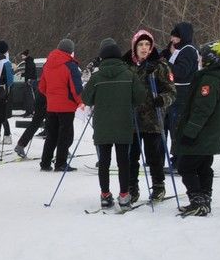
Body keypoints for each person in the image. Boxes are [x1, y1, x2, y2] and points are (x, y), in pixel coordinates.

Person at [83, 38, 147, 210]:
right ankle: (124, 195)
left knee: (103, 161)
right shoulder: (129, 75)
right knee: (123, 161)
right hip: (123, 123)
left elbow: (86, 98)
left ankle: (105, 195)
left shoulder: (96, 77)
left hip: (102, 125)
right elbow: (141, 97)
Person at [172, 40, 220, 217]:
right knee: (204, 167)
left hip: (202, 135)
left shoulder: (210, 80)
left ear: (210, 59)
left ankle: (198, 199)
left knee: (185, 166)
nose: (199, 60)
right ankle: (204, 199)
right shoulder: (216, 77)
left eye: (202, 57)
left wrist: (189, 133)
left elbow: (202, 110)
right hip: (210, 135)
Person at [125, 29, 174, 202]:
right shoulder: (127, 66)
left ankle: (158, 187)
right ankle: (132, 188)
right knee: (131, 157)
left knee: (154, 156)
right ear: (135, 46)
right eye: (141, 44)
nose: (144, 48)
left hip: (153, 120)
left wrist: (162, 99)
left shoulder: (159, 65)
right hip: (132, 121)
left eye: (147, 44)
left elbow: (171, 91)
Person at [38, 38, 83, 172]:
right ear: (71, 51)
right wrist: (81, 101)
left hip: (51, 105)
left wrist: (51, 97)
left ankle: (45, 163)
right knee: (64, 135)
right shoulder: (70, 65)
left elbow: (42, 87)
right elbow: (76, 88)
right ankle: (60, 163)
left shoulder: (47, 64)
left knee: (51, 135)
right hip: (67, 106)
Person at [162, 22, 199, 148]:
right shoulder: (179, 49)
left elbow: (181, 72)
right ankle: (170, 156)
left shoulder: (188, 50)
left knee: (176, 127)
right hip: (174, 94)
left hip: (182, 95)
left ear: (182, 36)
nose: (172, 40)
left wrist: (165, 64)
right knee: (169, 125)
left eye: (174, 37)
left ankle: (177, 158)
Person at [20, 49, 38, 115]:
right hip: (30, 81)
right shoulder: (28, 62)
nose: (22, 57)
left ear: (26, 56)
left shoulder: (29, 62)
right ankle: (28, 111)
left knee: (29, 98)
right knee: (28, 97)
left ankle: (29, 112)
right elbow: (29, 72)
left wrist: (24, 75)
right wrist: (22, 74)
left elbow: (29, 73)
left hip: (30, 82)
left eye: (22, 56)